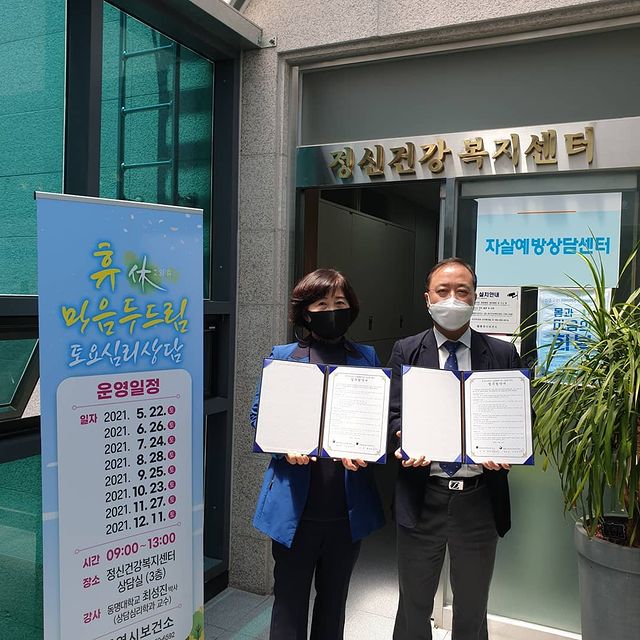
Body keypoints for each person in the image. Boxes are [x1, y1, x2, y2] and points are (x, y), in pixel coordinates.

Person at [388, 257, 522, 640]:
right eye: (443, 291)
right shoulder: (406, 351)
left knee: (473, 608)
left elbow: (518, 416)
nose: (452, 299)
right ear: (427, 298)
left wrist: (509, 448)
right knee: (413, 605)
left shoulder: (502, 354)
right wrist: (401, 438)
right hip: (422, 494)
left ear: (475, 297)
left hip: (478, 499)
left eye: (462, 291)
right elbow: (392, 413)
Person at [251, 268, 385, 640]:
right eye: (322, 304)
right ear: (306, 312)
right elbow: (260, 416)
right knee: (289, 605)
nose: (332, 311)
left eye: (339, 302)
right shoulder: (284, 356)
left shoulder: (366, 357)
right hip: (295, 509)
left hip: (346, 508)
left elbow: (376, 418)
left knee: (334, 603)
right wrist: (283, 448)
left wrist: (368, 449)